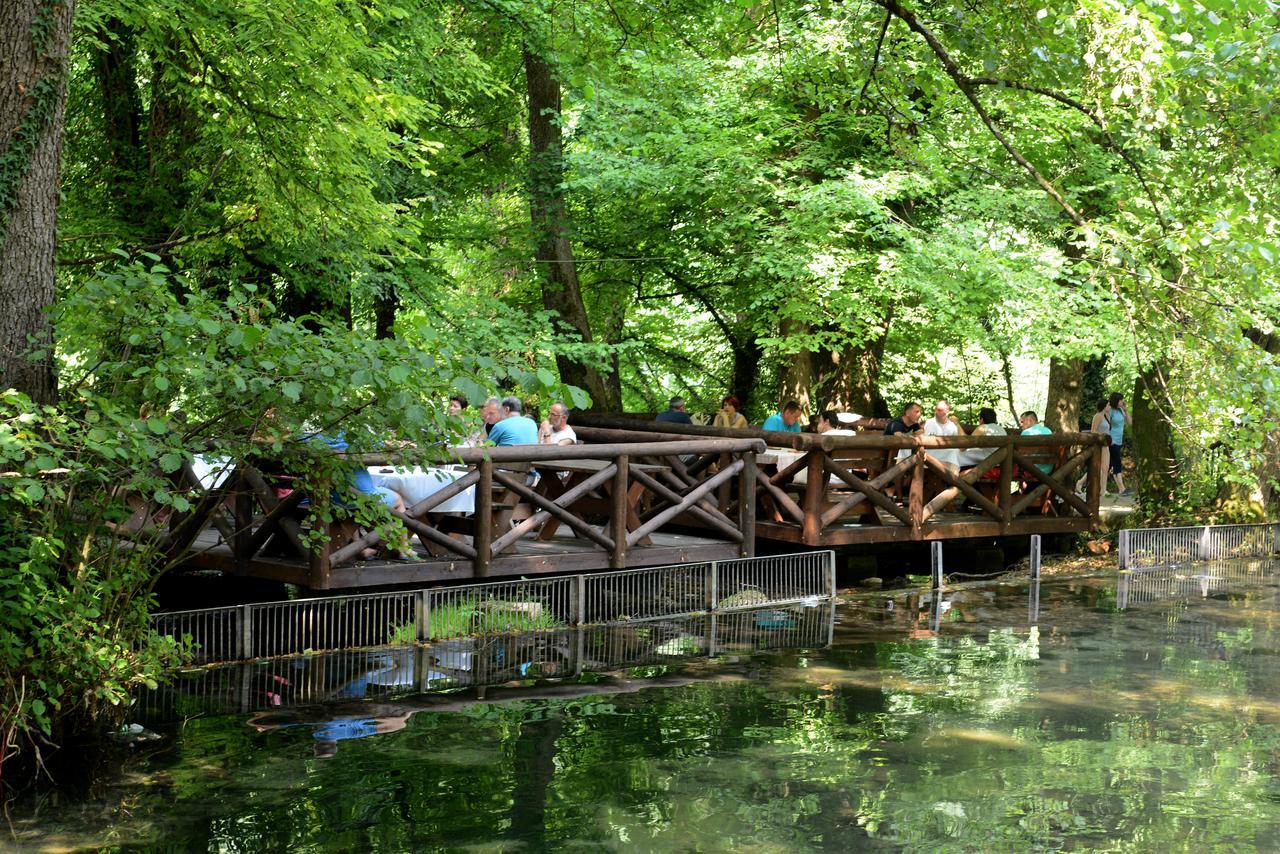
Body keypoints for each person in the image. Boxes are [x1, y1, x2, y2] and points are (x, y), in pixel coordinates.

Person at [1078, 398, 1112, 494]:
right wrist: (1102, 435)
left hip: (1106, 444)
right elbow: (1093, 430)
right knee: (1098, 467)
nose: (1109, 407)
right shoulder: (1098, 416)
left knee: (1106, 467)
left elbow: (1108, 430)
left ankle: (1103, 489)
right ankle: (1080, 482)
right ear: (1104, 406)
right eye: (1108, 405)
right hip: (1099, 444)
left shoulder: (1107, 416)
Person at [923, 400, 966, 471]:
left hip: (948, 459)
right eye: (936, 409)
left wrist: (957, 424)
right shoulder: (928, 423)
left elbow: (963, 446)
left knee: (953, 455)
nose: (937, 412)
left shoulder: (952, 426)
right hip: (928, 459)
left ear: (948, 411)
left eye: (940, 410)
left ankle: (953, 480)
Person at [1107, 392, 1131, 495]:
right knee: (1117, 463)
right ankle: (1122, 489)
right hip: (1112, 441)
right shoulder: (1110, 411)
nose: (1123, 401)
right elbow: (1105, 425)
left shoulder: (1121, 410)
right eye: (1121, 400)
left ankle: (1080, 483)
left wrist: (1126, 410)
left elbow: (1130, 423)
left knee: (1108, 465)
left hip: (1119, 440)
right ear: (1116, 400)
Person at [1019, 410, 1053, 475]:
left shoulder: (1025, 433)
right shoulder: (1048, 430)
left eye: (1022, 422)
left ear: (1030, 420)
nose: (1021, 425)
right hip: (1048, 470)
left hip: (1031, 470)